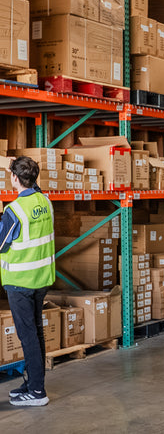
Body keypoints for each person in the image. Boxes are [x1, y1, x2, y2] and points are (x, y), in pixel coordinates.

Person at [0, 156, 55, 406]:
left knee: (28, 335)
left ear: (13, 178)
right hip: (41, 279)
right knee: (36, 332)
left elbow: (1, 245)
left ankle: (36, 392)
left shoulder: (14, 211)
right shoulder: (45, 201)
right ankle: (34, 382)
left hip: (20, 282)